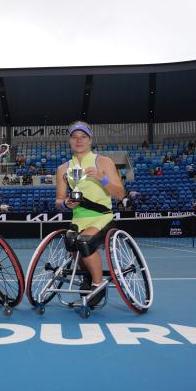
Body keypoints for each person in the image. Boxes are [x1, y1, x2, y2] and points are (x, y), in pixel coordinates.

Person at [55, 121, 125, 307]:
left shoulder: (104, 162)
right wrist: (66, 204)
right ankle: (87, 276)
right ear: (69, 141)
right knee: (71, 242)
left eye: (83, 137)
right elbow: (58, 201)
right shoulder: (63, 169)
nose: (79, 141)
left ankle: (97, 283)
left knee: (84, 241)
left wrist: (101, 178)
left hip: (102, 217)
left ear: (90, 140)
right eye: (74, 137)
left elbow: (120, 193)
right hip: (78, 218)